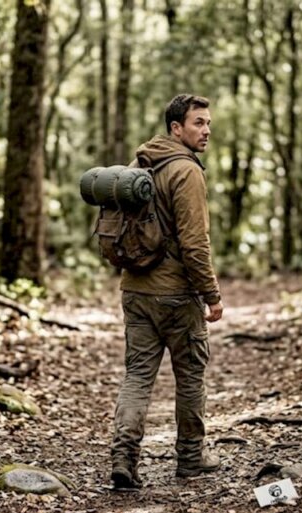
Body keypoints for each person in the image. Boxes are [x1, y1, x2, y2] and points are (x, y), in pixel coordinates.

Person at [111, 94, 224, 490]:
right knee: (190, 375)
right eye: (198, 123)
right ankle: (191, 459)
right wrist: (211, 294)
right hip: (177, 295)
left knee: (137, 376)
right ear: (176, 128)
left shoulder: (138, 165)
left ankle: (124, 458)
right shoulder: (186, 172)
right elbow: (196, 244)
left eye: (208, 123)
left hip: (136, 290)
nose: (206, 130)